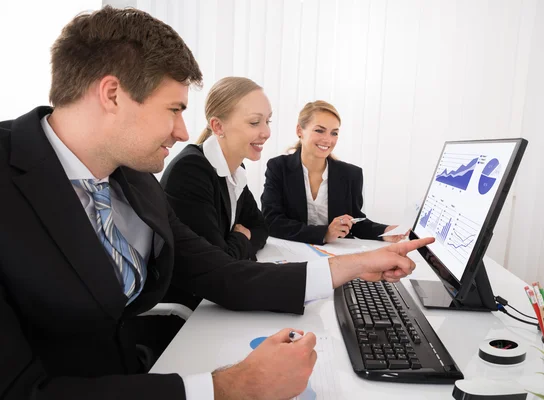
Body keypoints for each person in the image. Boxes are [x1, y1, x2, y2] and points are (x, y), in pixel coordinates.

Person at [0, 6, 433, 400]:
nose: (182, 132)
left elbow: (219, 272)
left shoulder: (133, 179)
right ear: (112, 94)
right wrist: (227, 387)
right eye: (173, 109)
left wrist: (354, 266)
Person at [261, 100, 409, 245]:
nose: (327, 139)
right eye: (319, 130)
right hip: (291, 251)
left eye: (334, 133)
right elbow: (271, 220)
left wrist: (385, 232)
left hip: (336, 254)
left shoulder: (351, 174)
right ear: (300, 131)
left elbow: (355, 223)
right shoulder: (278, 167)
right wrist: (325, 233)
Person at [161, 77, 269, 262]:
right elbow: (217, 263)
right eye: (254, 122)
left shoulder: (235, 169)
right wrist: (243, 237)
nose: (266, 132)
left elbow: (261, 228)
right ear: (218, 126)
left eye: (268, 121)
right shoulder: (191, 172)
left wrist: (236, 242)